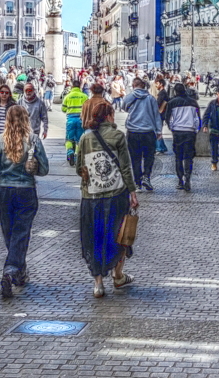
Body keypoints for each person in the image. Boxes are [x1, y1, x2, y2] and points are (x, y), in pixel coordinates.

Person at [75, 99, 138, 297]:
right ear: (110, 116)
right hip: (115, 194)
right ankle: (117, 274)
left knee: (95, 237)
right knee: (118, 235)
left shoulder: (85, 137)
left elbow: (79, 167)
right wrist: (132, 192)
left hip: (91, 196)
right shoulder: (118, 136)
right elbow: (126, 167)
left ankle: (98, 284)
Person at [0, 105, 49, 298]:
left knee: (9, 232)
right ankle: (12, 270)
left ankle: (18, 271)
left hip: (4, 189)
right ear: (26, 119)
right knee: (21, 232)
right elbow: (44, 169)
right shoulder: (32, 140)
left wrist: (7, 170)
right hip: (26, 189)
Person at [122, 77, 162, 191]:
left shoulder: (129, 97)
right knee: (149, 156)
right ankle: (147, 177)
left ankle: (137, 182)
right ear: (144, 86)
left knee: (135, 158)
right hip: (148, 132)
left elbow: (124, 107)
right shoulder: (151, 98)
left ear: (134, 86)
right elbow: (156, 115)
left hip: (133, 131)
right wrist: (159, 131)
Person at [165, 83, 201, 191]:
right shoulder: (193, 102)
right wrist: (195, 130)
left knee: (178, 157)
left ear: (175, 91)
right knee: (188, 157)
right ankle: (188, 178)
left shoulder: (171, 103)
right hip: (190, 132)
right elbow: (197, 119)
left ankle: (180, 180)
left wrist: (172, 128)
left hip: (178, 132)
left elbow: (168, 118)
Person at [62, 80, 89, 165]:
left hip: (70, 120)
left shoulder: (67, 96)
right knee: (79, 138)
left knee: (69, 138)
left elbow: (63, 109)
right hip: (81, 120)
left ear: (72, 86)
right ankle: (77, 154)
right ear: (80, 86)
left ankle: (70, 152)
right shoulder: (84, 96)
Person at [154, 77, 170, 154]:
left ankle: (160, 147)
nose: (155, 85)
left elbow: (158, 104)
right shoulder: (163, 93)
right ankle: (162, 147)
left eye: (157, 84)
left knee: (157, 131)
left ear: (161, 84)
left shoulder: (162, 93)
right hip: (161, 115)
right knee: (158, 131)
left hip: (160, 115)